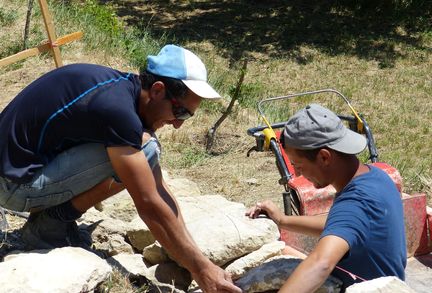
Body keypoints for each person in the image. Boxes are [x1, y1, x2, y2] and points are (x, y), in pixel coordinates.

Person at [0, 44, 242, 293]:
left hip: (16, 170)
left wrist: (197, 257)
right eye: (180, 112)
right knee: (144, 149)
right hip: (14, 187)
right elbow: (148, 203)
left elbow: (159, 188)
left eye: (187, 116)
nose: (178, 124)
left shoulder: (121, 88)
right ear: (158, 90)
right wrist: (201, 270)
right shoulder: (118, 111)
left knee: (143, 153)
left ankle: (52, 219)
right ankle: (52, 224)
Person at [246, 104, 406, 292]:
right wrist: (283, 220)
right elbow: (341, 225)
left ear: (324, 157)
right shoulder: (375, 177)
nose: (297, 173)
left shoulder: (356, 202)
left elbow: (320, 264)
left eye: (298, 165)